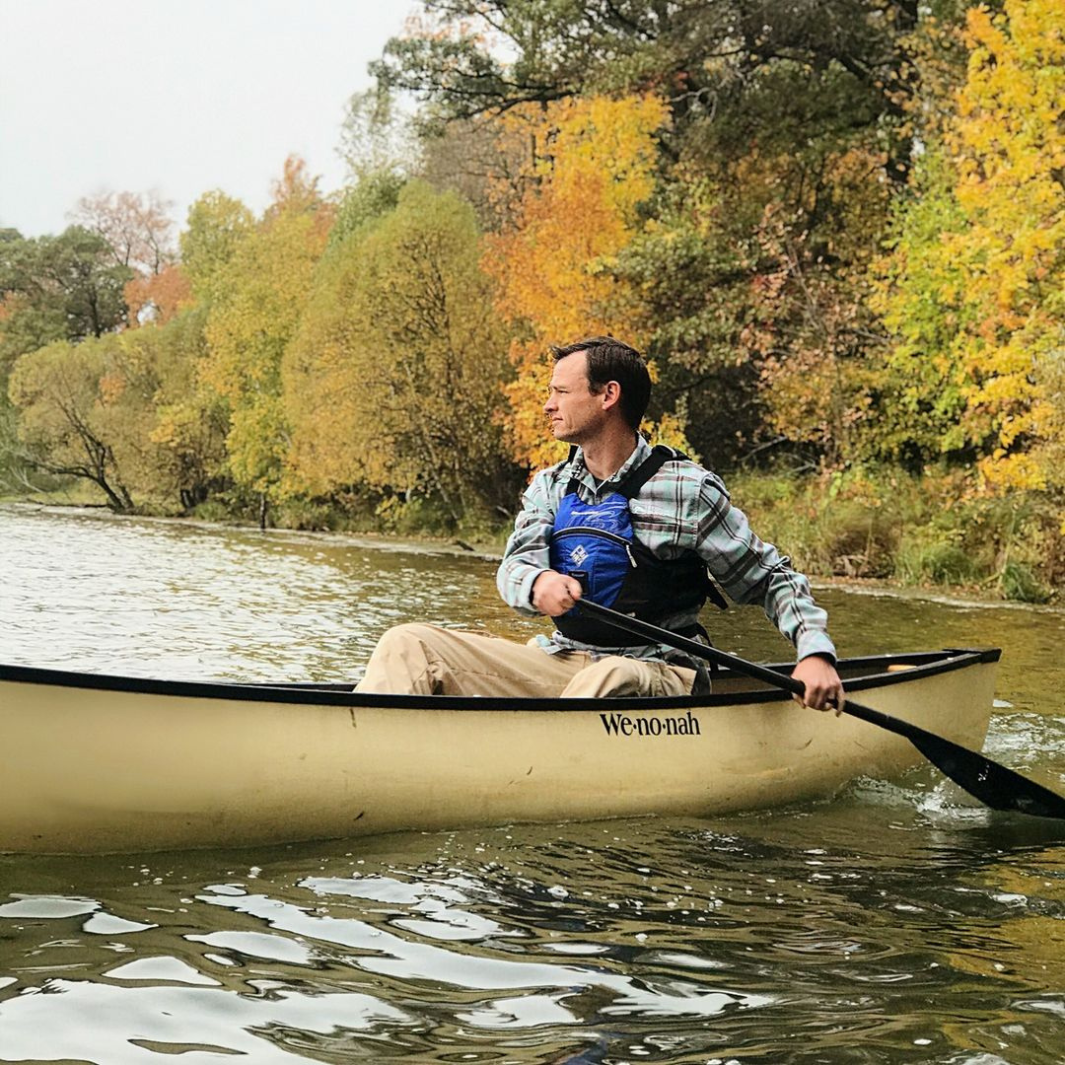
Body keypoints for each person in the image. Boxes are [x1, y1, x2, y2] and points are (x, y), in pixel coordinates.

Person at [356, 336, 844, 710]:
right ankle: (359, 763)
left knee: (604, 678)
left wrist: (815, 654)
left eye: (560, 392)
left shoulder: (687, 490)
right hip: (567, 659)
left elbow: (770, 580)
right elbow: (513, 568)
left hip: (662, 672)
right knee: (409, 644)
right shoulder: (549, 486)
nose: (548, 404)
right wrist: (537, 582)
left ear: (608, 395)